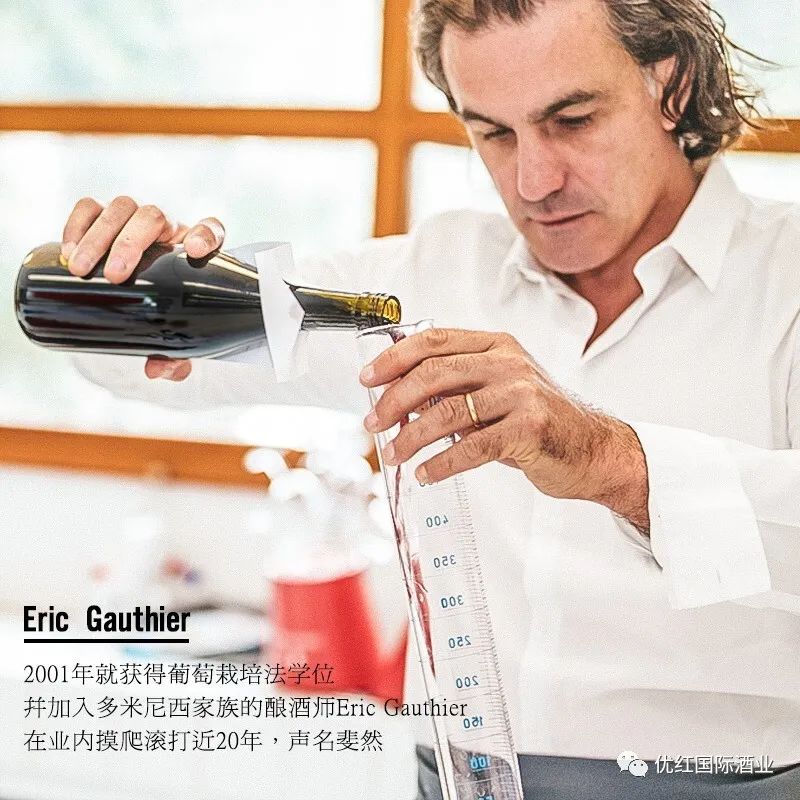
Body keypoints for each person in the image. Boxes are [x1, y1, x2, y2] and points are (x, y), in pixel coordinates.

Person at [61, 0, 799, 797]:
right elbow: (153, 369)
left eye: (573, 121)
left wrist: (611, 461)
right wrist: (120, 283)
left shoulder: (785, 278)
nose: (534, 182)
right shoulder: (421, 280)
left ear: (671, 86)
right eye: (493, 132)